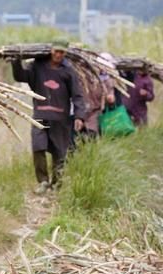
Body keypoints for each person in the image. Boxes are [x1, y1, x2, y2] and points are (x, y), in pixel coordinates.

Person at [10, 40, 86, 194]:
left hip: (60, 119)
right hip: (41, 116)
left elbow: (77, 96)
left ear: (65, 53)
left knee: (60, 152)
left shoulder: (68, 71)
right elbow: (20, 76)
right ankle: (43, 181)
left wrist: (79, 116)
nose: (58, 55)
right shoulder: (37, 66)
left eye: (62, 52)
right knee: (38, 146)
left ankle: (57, 184)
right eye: (56, 51)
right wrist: (15, 60)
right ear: (51, 51)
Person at [81, 52, 117, 137]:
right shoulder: (85, 76)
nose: (102, 68)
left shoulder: (108, 81)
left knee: (91, 135)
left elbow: (111, 99)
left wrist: (111, 100)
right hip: (82, 111)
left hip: (96, 113)